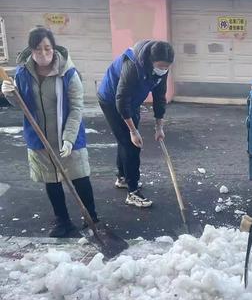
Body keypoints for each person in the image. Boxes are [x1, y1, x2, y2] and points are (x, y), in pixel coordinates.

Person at [1, 27, 97, 238]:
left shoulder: (69, 73)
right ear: (31, 50)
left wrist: (69, 139)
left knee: (80, 177)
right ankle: (63, 221)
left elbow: (76, 109)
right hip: (39, 137)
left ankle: (92, 219)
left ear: (54, 48)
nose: (43, 54)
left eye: (47, 48)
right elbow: (22, 104)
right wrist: (9, 94)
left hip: (68, 137)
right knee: (51, 180)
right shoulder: (23, 73)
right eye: (38, 50)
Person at [97, 40, 174, 208]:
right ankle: (132, 192)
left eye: (167, 67)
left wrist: (159, 127)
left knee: (125, 141)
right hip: (111, 100)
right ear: (150, 61)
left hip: (132, 101)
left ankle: (123, 177)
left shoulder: (162, 70)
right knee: (130, 144)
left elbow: (160, 97)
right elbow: (121, 100)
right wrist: (133, 131)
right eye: (160, 66)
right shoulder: (132, 65)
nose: (163, 69)